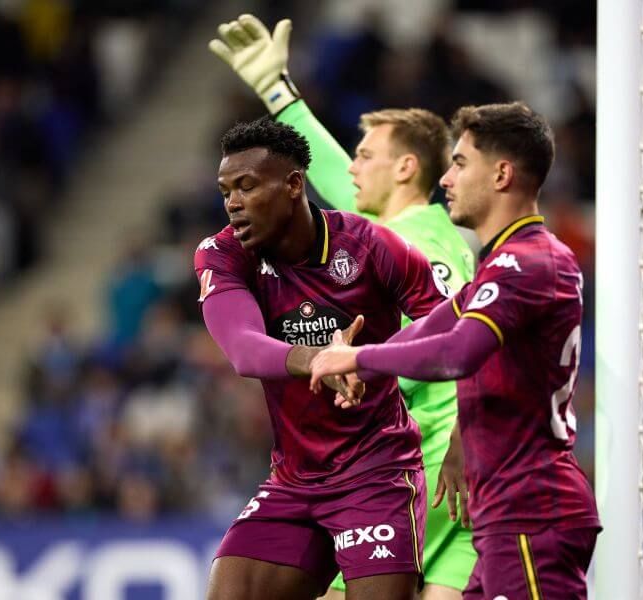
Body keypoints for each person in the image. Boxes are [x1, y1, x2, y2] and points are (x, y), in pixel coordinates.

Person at [210, 16, 478, 600]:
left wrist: (359, 361)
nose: (350, 167)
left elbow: (465, 340)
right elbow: (316, 180)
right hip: (379, 463)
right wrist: (278, 93)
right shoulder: (384, 230)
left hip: (424, 464)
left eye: (365, 155)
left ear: (406, 169)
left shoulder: (425, 246)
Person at [310, 103, 601, 599]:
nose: (445, 179)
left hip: (533, 507)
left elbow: (456, 352)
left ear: (502, 174)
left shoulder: (530, 262)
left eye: (461, 164)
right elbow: (430, 327)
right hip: (501, 509)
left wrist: (360, 359)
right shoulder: (501, 263)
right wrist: (362, 369)